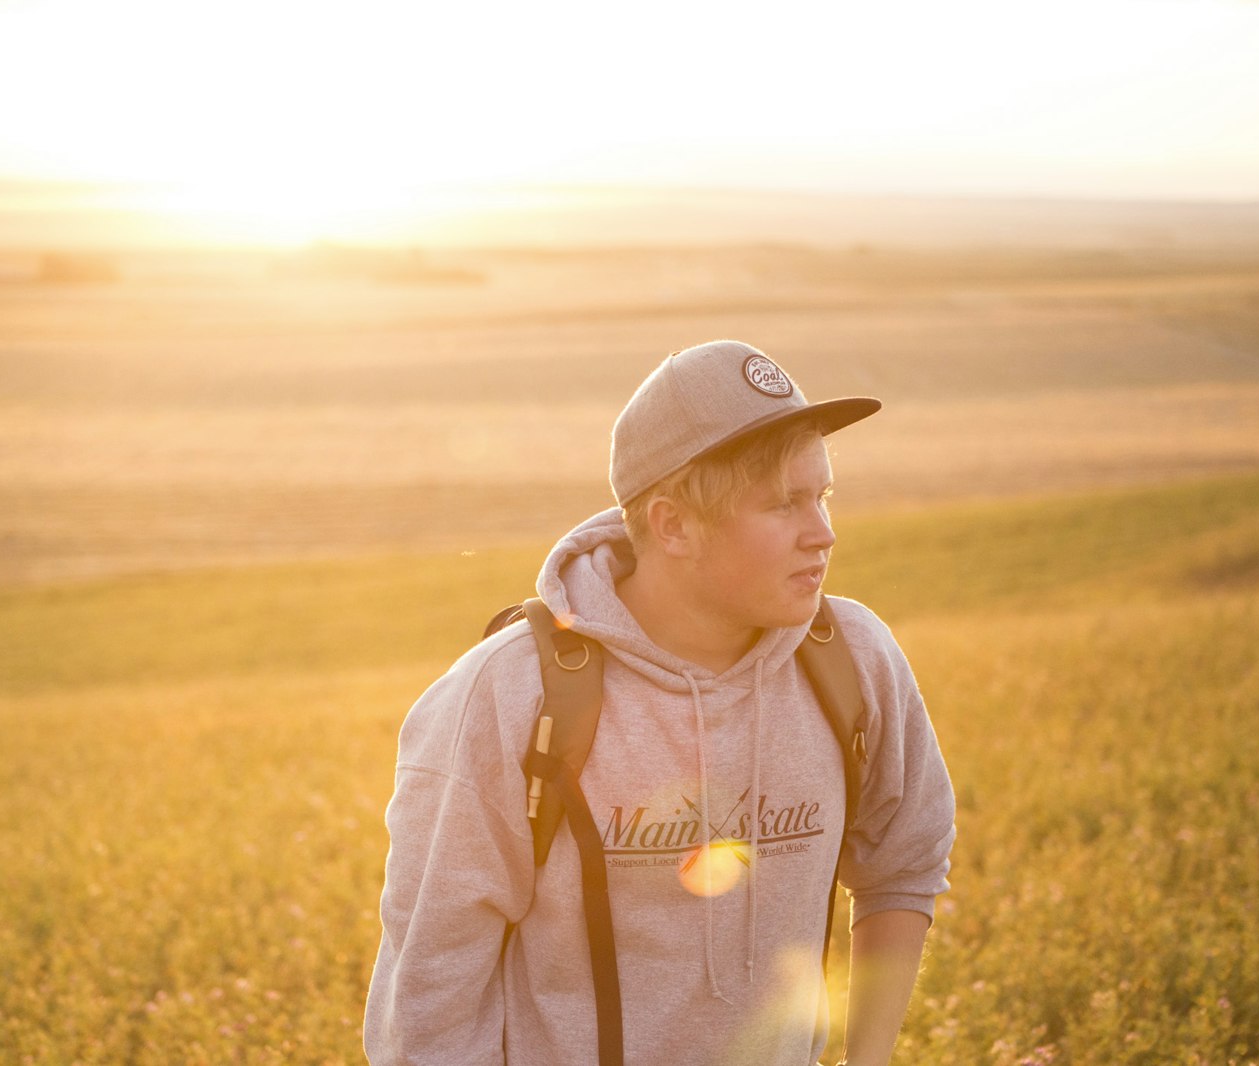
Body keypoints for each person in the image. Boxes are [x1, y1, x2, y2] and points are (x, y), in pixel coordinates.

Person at [365, 339, 956, 1066]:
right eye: (783, 504)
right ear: (674, 525)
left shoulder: (855, 659)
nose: (823, 533)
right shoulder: (509, 694)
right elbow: (428, 1001)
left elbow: (904, 863)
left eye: (824, 495)